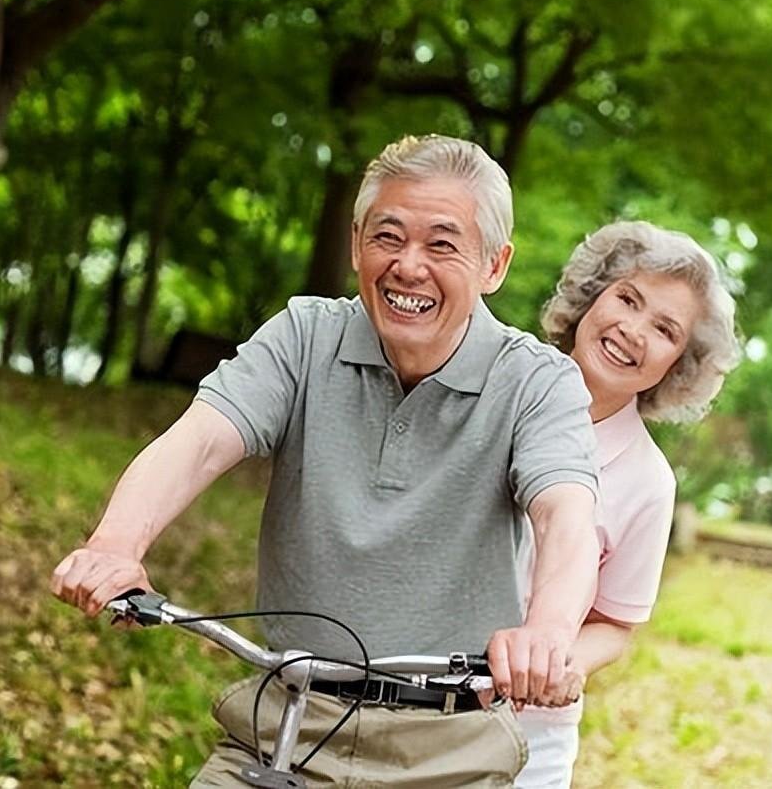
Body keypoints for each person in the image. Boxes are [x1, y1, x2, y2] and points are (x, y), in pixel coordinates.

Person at [49, 135, 601, 786]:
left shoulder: (538, 382)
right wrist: (115, 544)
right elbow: (197, 442)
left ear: (494, 265)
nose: (408, 267)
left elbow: (565, 515)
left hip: (450, 747)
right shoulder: (305, 335)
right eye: (387, 237)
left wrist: (549, 630)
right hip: (285, 719)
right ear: (356, 243)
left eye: (442, 245)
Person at [514, 221, 741, 788]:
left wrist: (561, 664)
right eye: (627, 299)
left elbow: (615, 623)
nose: (632, 330)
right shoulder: (496, 388)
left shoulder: (649, 482)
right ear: (591, 298)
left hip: (526, 735)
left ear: (678, 365)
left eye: (664, 329)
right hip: (404, 698)